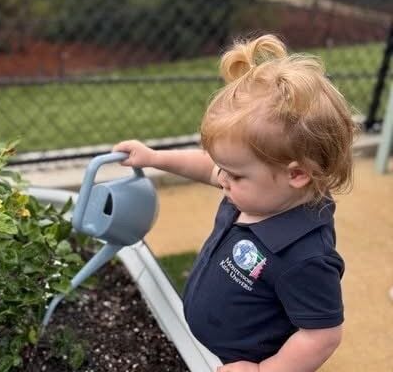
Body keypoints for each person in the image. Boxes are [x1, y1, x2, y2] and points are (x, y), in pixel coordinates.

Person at [113, 34, 358, 372]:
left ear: (297, 174)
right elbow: (206, 166)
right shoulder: (261, 192)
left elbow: (323, 334)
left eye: (235, 174)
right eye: (224, 169)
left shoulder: (304, 257)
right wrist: (154, 157)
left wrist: (263, 370)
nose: (222, 179)